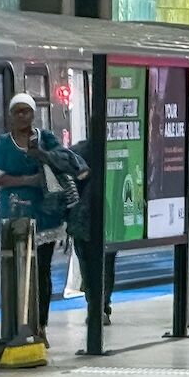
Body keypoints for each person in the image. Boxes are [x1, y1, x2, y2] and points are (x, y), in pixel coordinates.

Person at [0, 93, 82, 343]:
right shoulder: (2, 145)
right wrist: (28, 180)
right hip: (13, 217)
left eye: (25, 111)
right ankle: (15, 327)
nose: (21, 116)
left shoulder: (47, 139)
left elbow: (63, 161)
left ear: (33, 114)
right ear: (10, 116)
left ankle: (40, 326)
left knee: (42, 271)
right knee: (15, 271)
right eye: (17, 112)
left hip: (45, 217)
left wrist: (42, 155)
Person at [68, 134, 117, 326]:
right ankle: (101, 305)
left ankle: (97, 304)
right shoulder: (114, 152)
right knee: (105, 263)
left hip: (83, 221)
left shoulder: (77, 152)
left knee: (89, 264)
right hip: (102, 218)